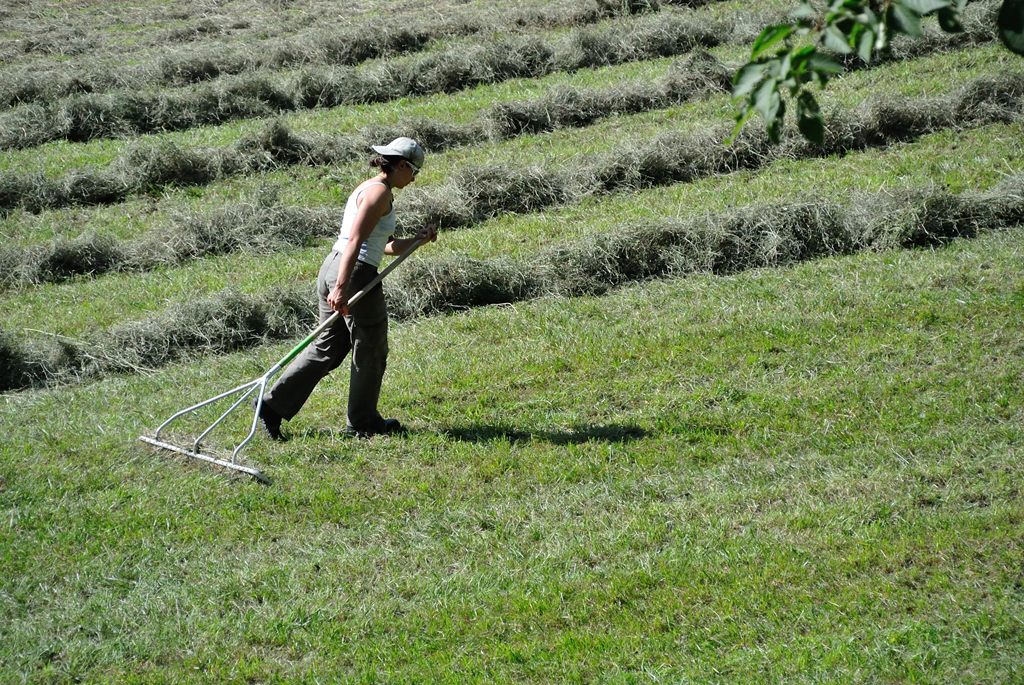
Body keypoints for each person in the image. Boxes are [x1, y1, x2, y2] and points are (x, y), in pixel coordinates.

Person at [257, 137, 436, 440]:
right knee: (371, 347)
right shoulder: (379, 193)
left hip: (334, 265)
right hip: (354, 274)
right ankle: (363, 423)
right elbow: (356, 240)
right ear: (401, 165)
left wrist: (417, 240)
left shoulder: (369, 188)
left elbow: (383, 245)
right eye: (414, 171)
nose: (414, 179)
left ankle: (272, 407)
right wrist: (341, 288)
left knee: (329, 346)